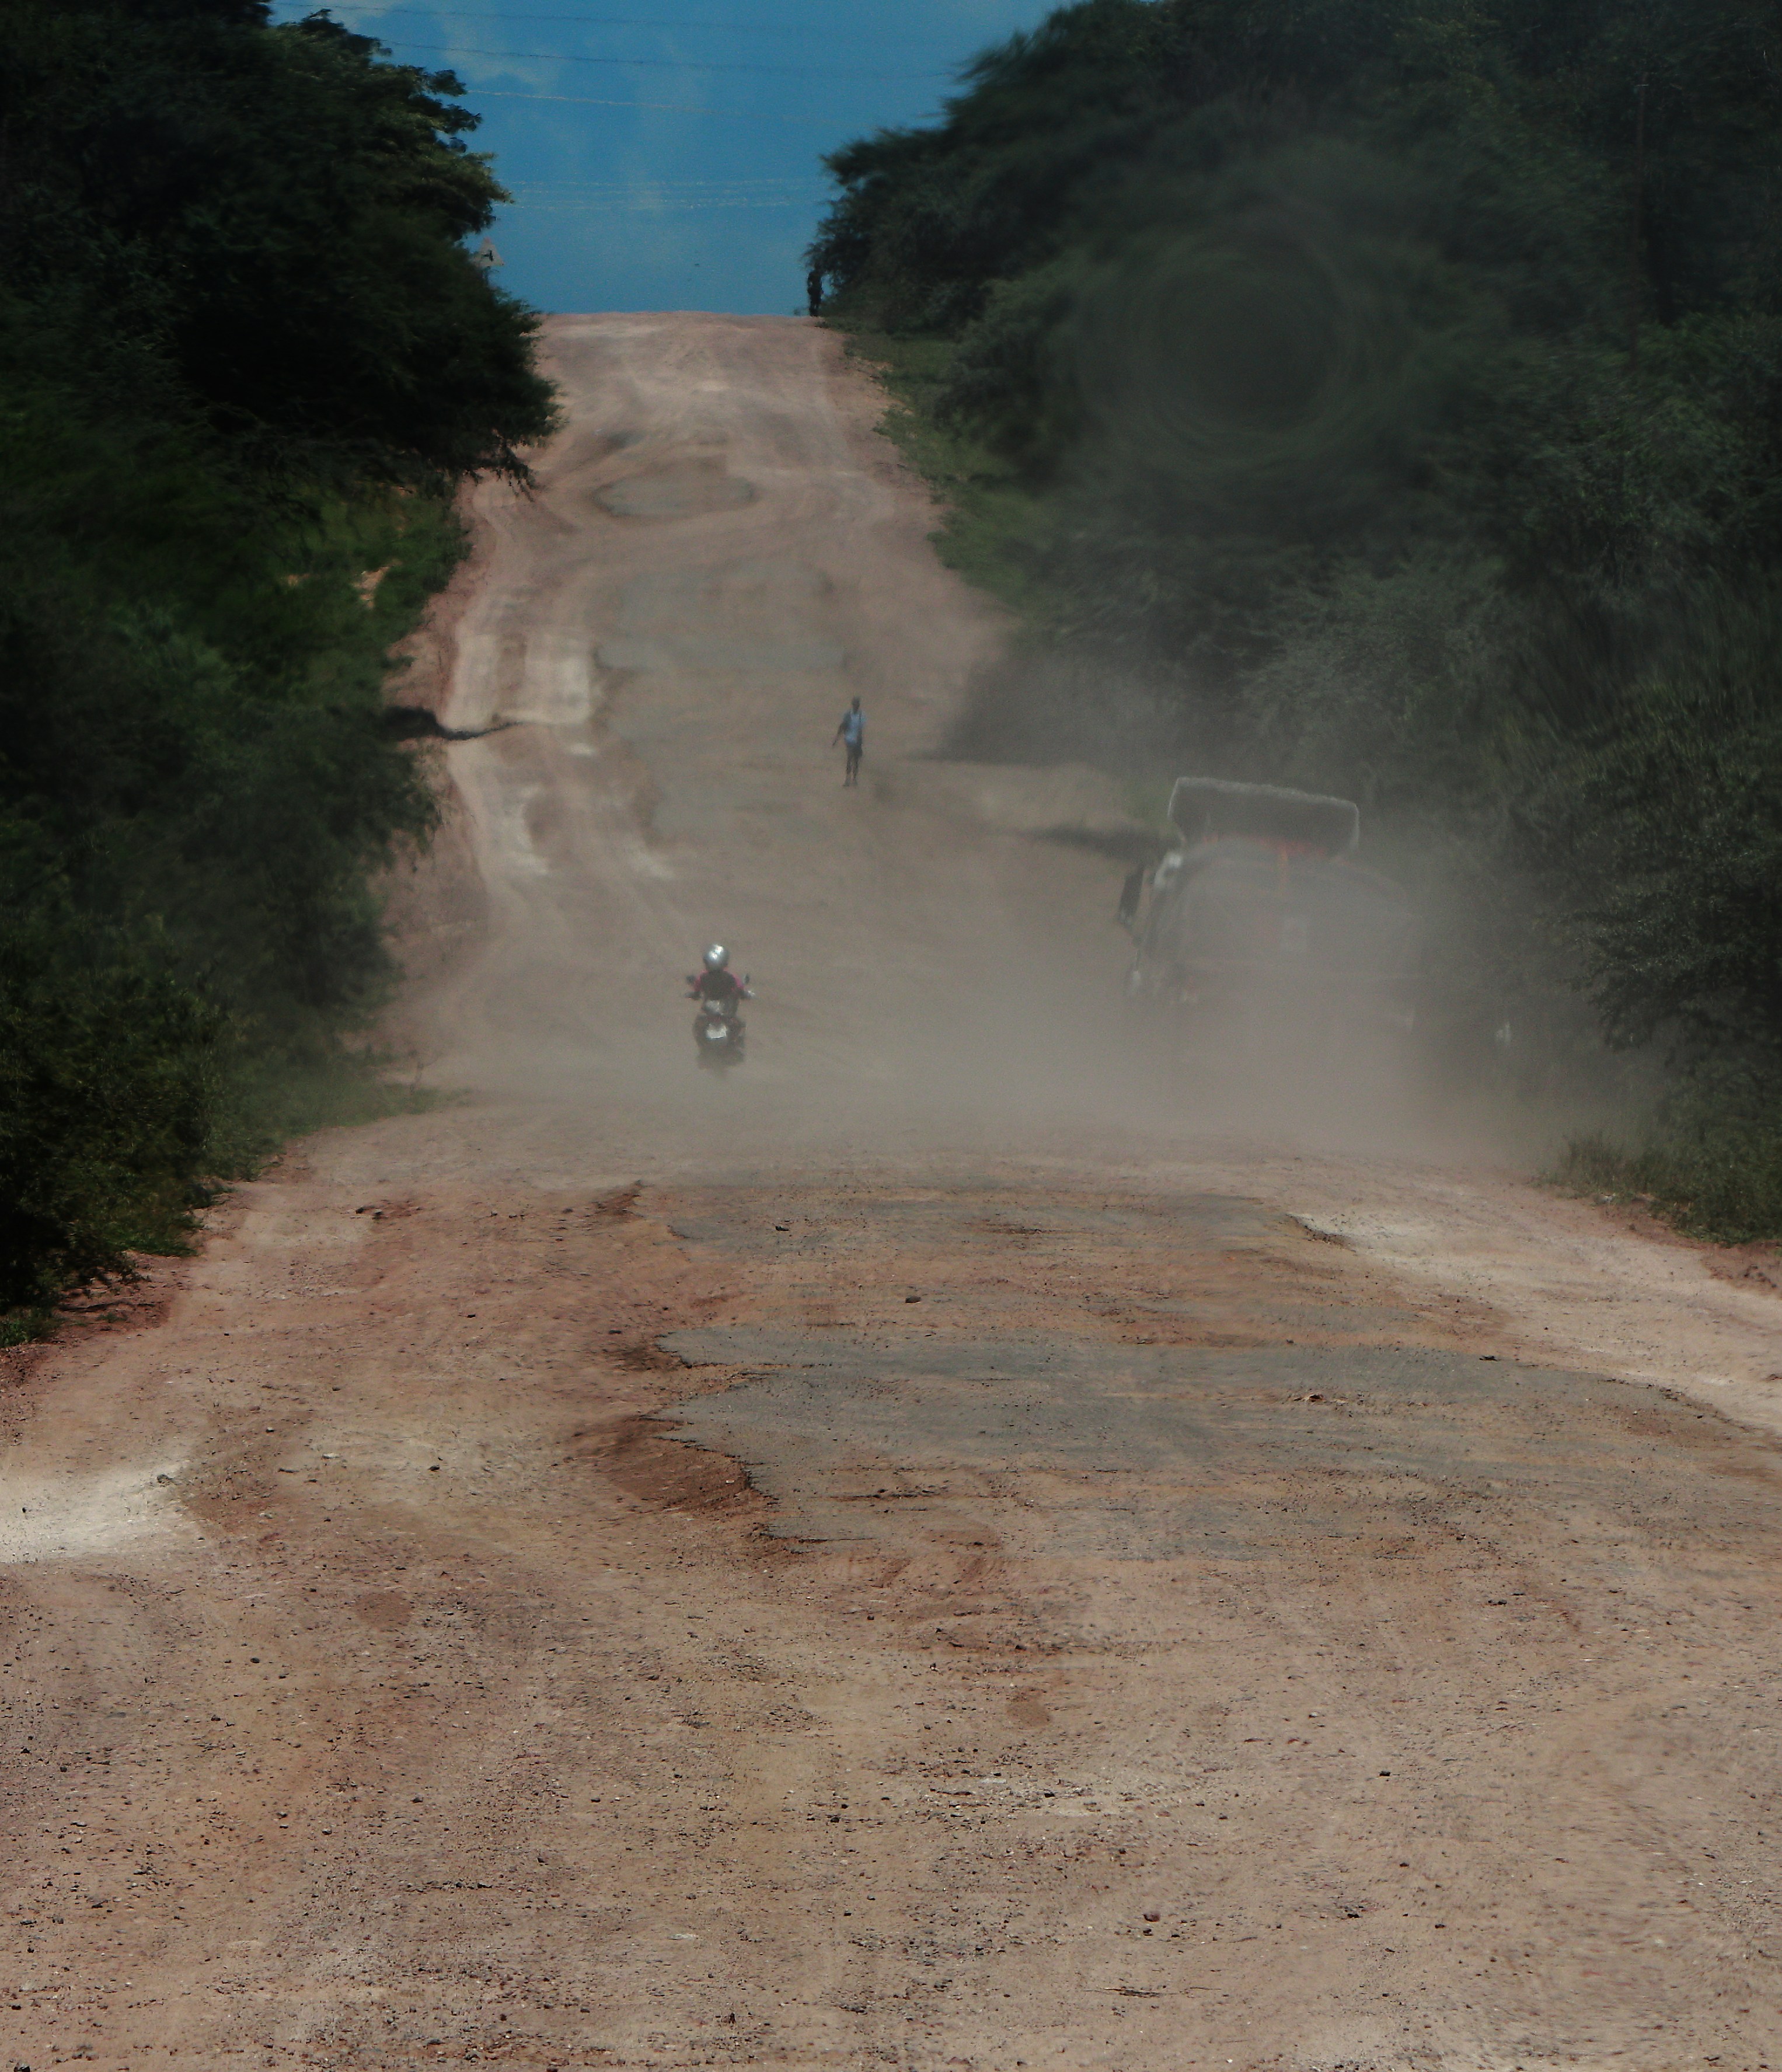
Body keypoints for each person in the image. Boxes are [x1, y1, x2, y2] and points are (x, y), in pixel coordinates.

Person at [688, 943, 749, 1013]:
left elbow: (697, 988)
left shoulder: (703, 977)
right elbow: (739, 986)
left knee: (700, 1021)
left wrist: (695, 994)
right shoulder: (730, 977)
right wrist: (744, 994)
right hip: (726, 1011)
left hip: (715, 1011)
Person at [833, 696, 864, 786]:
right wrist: (837, 739)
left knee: (855, 760)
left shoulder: (860, 715)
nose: (856, 706)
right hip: (850, 739)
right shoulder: (850, 715)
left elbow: (860, 729)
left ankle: (853, 779)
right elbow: (843, 726)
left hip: (857, 741)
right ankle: (849, 779)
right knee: (850, 758)